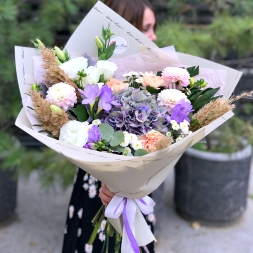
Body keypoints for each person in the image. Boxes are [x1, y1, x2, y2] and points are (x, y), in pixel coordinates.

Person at [62, 1, 157, 252]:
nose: (154, 36)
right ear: (129, 30)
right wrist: (110, 182)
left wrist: (128, 185)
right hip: (97, 184)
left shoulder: (154, 80)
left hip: (135, 188)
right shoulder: (93, 77)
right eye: (147, 28)